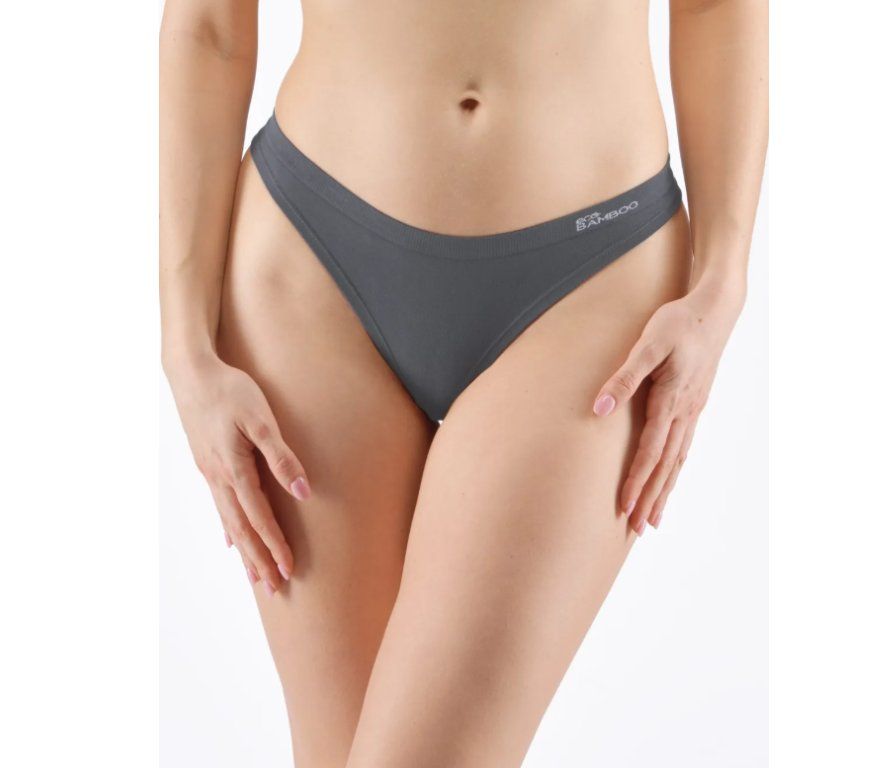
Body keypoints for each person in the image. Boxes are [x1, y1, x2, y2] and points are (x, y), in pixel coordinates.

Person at [160, 0, 767, 764]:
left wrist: (723, 279)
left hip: (593, 277)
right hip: (311, 265)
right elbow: (209, 27)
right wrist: (185, 349)